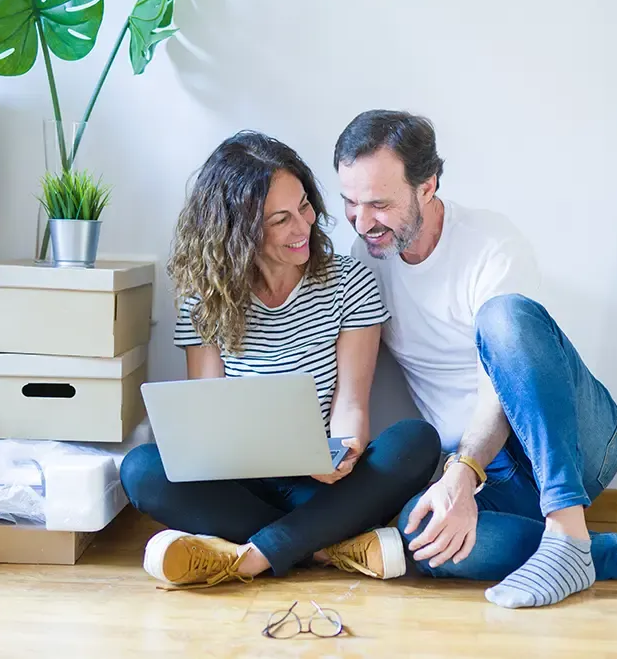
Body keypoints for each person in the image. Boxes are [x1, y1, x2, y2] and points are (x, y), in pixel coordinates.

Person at [332, 109, 617, 608]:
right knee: (417, 539)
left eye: (378, 204)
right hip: (491, 477)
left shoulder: (490, 243)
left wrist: (462, 472)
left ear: (427, 186)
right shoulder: (362, 263)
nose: (362, 222)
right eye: (350, 203)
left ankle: (567, 530)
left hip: (567, 440)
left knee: (504, 317)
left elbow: (502, 380)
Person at [119, 130, 441, 590]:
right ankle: (328, 549)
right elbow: (207, 413)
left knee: (415, 442)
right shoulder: (203, 298)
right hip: (239, 482)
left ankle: (249, 558)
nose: (303, 227)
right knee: (141, 471)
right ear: (238, 232)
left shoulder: (351, 284)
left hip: (318, 483)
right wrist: (239, 456)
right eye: (280, 220)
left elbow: (351, 404)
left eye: (305, 207)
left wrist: (342, 454)